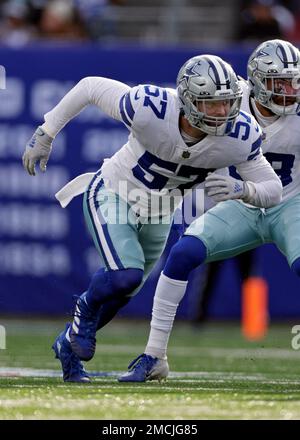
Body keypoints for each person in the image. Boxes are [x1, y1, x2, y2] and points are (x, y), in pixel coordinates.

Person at [22, 54, 281, 383]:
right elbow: (89, 87)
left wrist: (243, 189)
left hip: (162, 211)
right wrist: (46, 132)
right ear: (187, 100)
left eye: (227, 103)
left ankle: (68, 346)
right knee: (124, 277)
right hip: (115, 193)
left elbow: (272, 189)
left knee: (122, 295)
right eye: (210, 104)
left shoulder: (240, 135)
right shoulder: (150, 107)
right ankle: (83, 309)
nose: (221, 113)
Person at [119, 39, 300, 383]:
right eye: (280, 82)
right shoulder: (226, 99)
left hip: (291, 202)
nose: (290, 90)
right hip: (238, 205)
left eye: (294, 81)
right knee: (183, 253)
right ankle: (155, 355)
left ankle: (251, 323)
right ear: (258, 81)